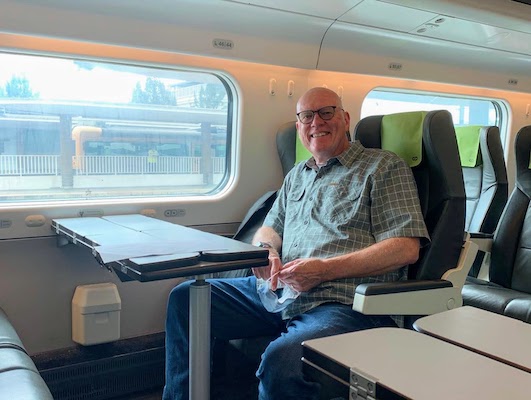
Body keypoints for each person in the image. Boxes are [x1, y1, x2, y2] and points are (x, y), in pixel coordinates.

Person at [163, 87, 430, 400]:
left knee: (282, 361)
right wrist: (265, 252)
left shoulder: (383, 167)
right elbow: (269, 229)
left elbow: (405, 247)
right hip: (282, 290)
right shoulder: (296, 176)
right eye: (306, 116)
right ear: (300, 126)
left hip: (344, 303)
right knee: (186, 299)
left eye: (325, 112)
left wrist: (323, 271)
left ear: (345, 119)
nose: (316, 122)